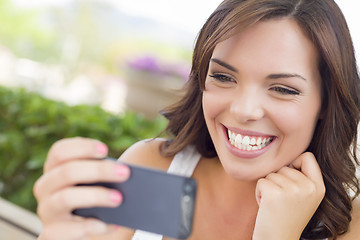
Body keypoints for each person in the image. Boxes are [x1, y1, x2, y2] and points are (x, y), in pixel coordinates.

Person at [33, 0, 360, 239]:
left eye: (282, 89)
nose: (245, 110)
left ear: (326, 102)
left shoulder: (347, 226)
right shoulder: (152, 168)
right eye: (224, 77)